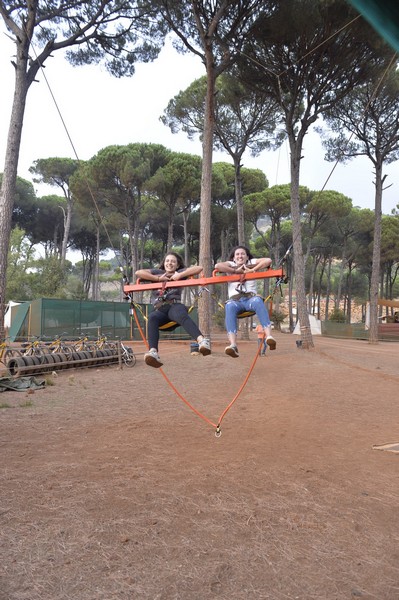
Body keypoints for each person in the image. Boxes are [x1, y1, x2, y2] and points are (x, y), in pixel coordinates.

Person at [135, 252, 211, 368]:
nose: (170, 263)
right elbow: (138, 273)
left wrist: (180, 275)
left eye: (173, 261)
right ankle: (153, 352)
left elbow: (199, 268)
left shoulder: (180, 272)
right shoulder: (157, 273)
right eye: (167, 261)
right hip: (160, 309)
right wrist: (158, 278)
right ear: (164, 263)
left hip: (175, 306)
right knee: (152, 317)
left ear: (177, 264)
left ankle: (202, 341)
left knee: (180, 314)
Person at [214, 245, 276, 358]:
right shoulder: (231, 264)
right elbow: (218, 266)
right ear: (233, 258)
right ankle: (233, 344)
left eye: (243, 254)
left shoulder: (251, 262)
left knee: (258, 300)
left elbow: (268, 260)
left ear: (247, 256)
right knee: (229, 306)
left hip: (250, 299)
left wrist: (252, 269)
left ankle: (269, 336)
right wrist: (235, 271)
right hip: (235, 301)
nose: (240, 256)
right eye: (237, 254)